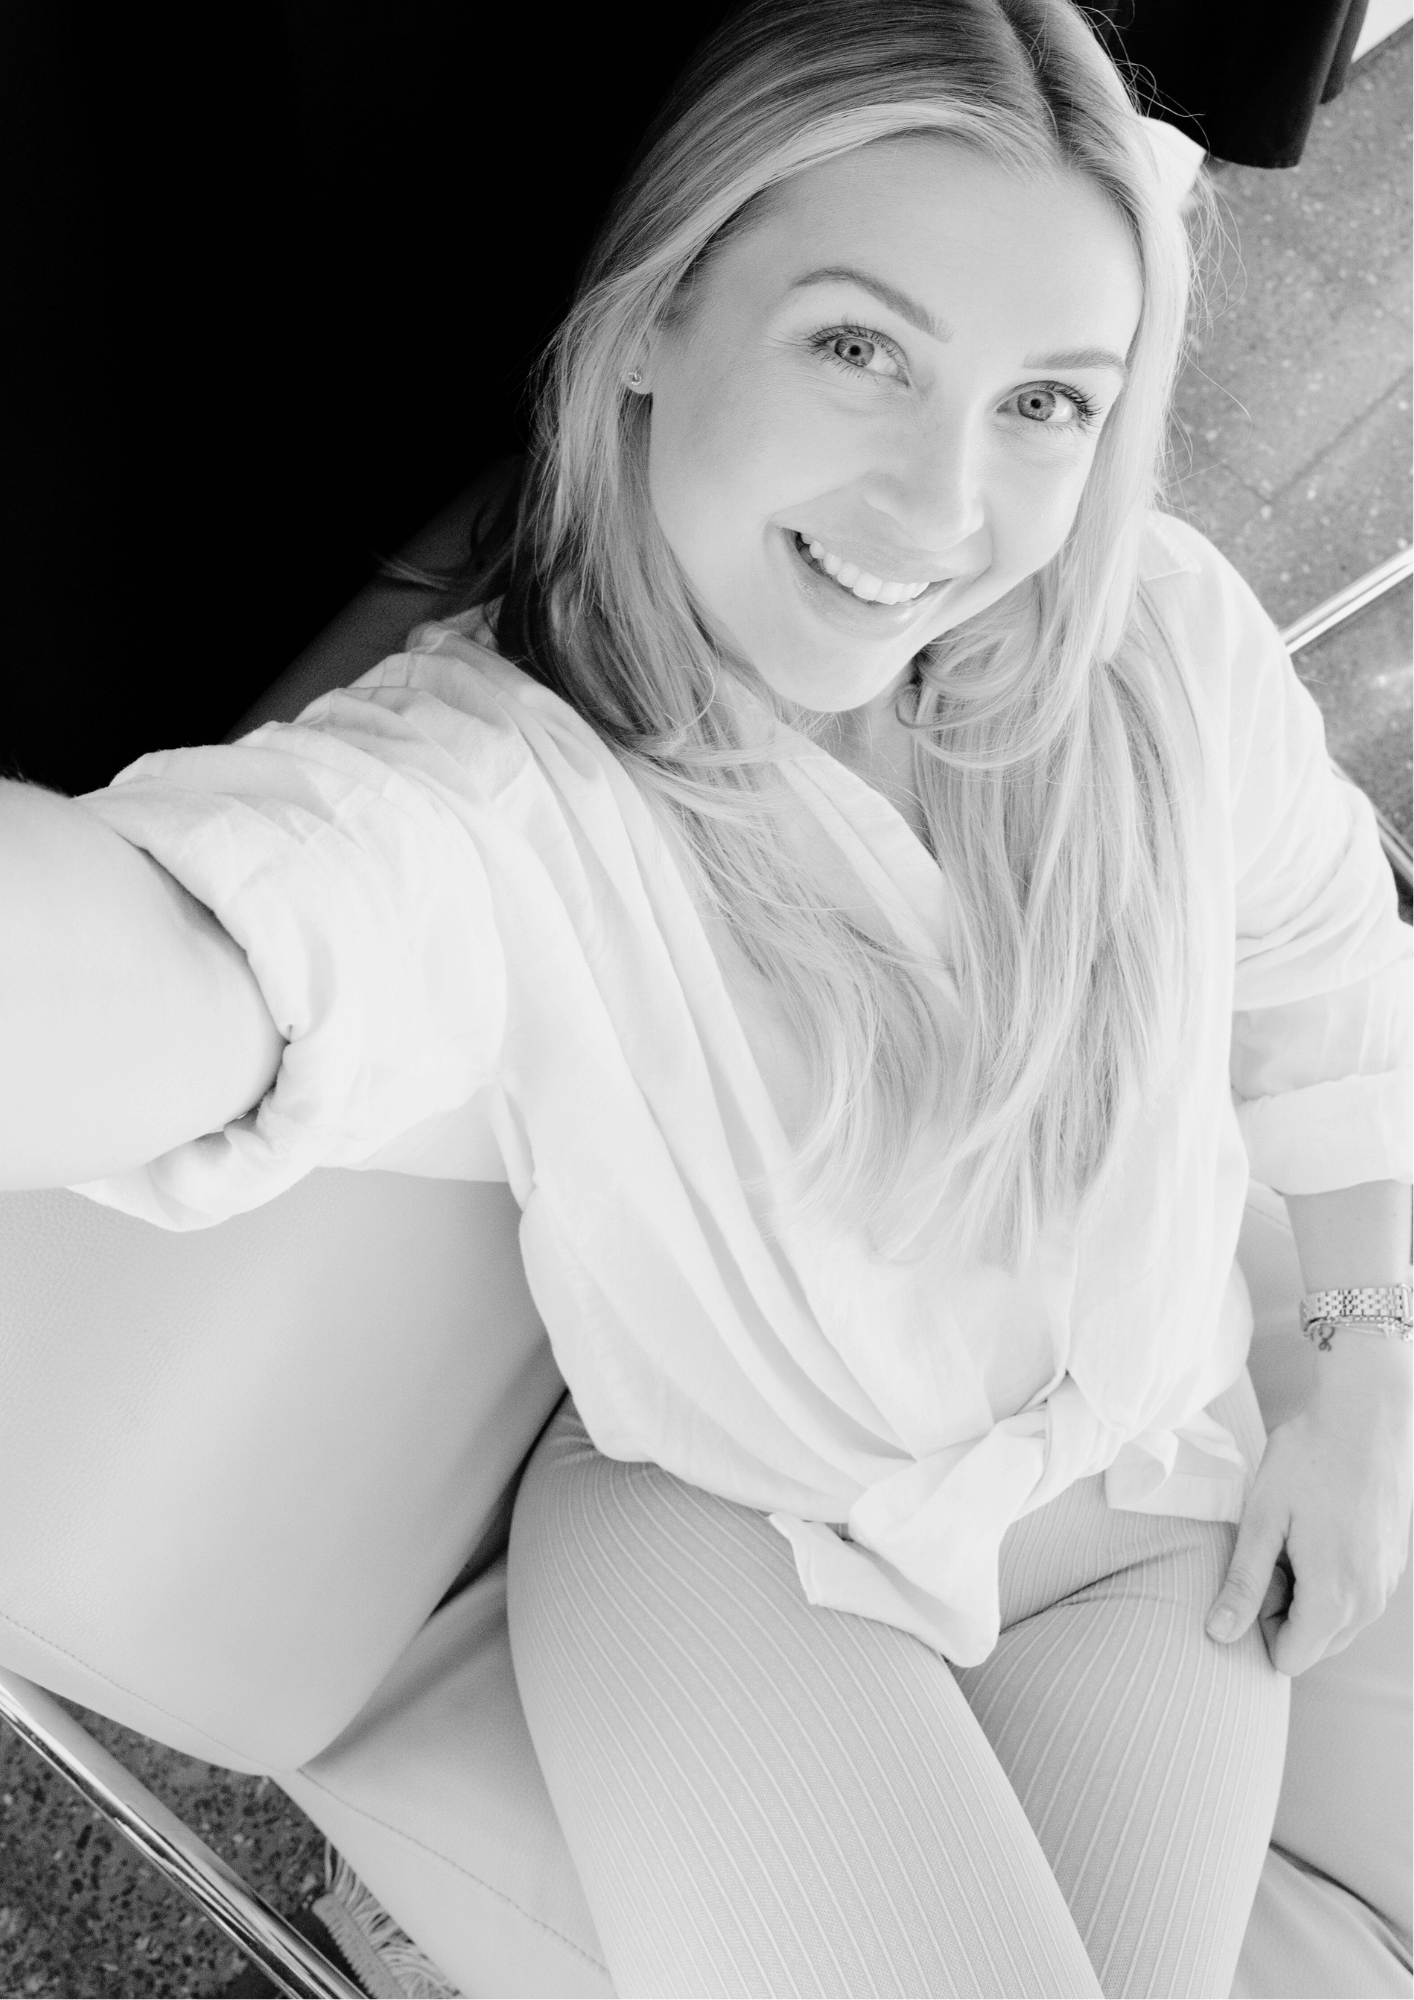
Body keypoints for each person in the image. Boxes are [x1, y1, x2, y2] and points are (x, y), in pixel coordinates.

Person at [3, 0, 1408, 1993]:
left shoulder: (1159, 645)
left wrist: (1357, 1381)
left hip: (1150, 1520)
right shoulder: (495, 792)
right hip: (738, 1539)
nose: (939, 510)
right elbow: (205, 952)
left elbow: (1331, 991)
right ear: (658, 317)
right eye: (857, 349)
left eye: (1042, 402)